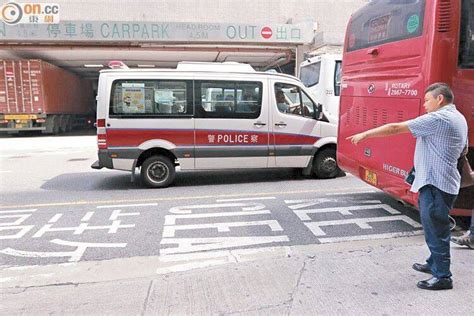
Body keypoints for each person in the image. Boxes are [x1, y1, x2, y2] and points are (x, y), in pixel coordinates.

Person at [347, 82, 468, 290]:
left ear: (440, 99)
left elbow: (395, 128)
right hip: (443, 181)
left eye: (427, 100)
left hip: (436, 183)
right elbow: (464, 149)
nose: (425, 105)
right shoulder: (458, 117)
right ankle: (434, 263)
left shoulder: (439, 118)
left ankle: (443, 276)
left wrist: (365, 134)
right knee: (434, 226)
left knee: (436, 229)